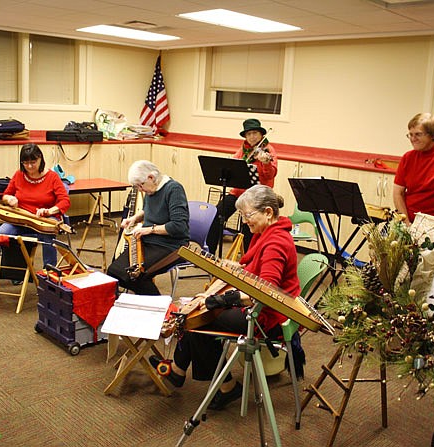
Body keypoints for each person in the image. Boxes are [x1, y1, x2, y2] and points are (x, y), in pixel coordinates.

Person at [151, 185, 302, 410]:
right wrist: (226, 267)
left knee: (199, 320)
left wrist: (221, 300)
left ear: (268, 212)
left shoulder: (276, 242)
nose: (245, 221)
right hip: (265, 309)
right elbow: (253, 269)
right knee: (198, 313)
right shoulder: (268, 233)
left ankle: (227, 386)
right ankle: (179, 371)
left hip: (267, 317)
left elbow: (266, 292)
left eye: (248, 215)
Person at [107, 160, 190, 295]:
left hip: (172, 245)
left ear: (151, 177)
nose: (140, 189)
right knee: (114, 271)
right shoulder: (151, 189)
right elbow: (147, 210)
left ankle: (161, 309)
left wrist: (150, 229)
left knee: (136, 276)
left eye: (141, 185)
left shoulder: (174, 189)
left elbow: (178, 226)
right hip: (148, 240)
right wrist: (134, 219)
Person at [206, 118, 278, 254]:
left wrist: (266, 163)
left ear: (261, 134)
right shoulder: (244, 150)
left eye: (255, 133)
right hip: (239, 193)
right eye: (249, 134)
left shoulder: (268, 150)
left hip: (257, 197)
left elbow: (270, 176)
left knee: (249, 225)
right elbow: (234, 165)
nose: (252, 137)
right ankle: (209, 253)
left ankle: (249, 259)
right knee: (215, 215)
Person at [0, 143, 70, 267]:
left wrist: (49, 211)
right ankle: (15, 271)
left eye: (33, 162)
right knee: (2, 232)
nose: (29, 166)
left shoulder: (52, 177)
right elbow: (5, 195)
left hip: (44, 218)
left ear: (40, 158)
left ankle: (49, 271)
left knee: (48, 235)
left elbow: (65, 201)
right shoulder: (19, 175)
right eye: (25, 163)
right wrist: (9, 199)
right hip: (22, 218)